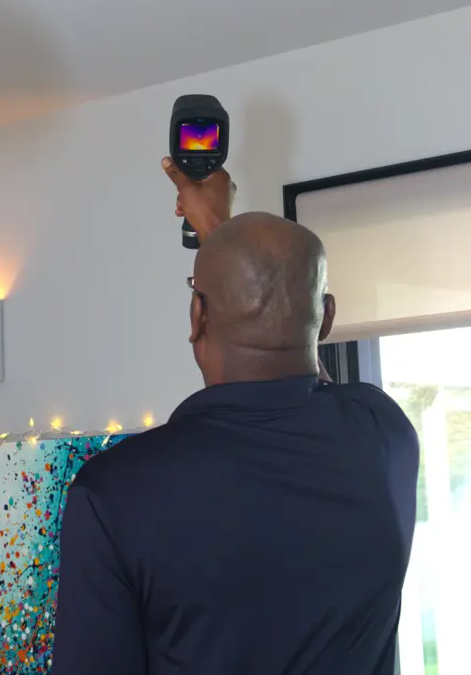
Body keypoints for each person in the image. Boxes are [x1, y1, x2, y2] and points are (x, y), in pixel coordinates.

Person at [51, 160, 419, 675]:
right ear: (328, 318)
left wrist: (220, 248)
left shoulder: (112, 492)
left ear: (197, 316)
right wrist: (225, 241)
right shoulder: (385, 436)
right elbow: (310, 374)